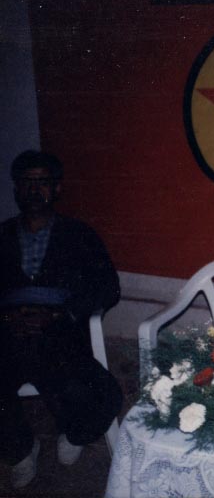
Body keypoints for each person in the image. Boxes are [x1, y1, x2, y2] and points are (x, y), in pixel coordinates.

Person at [0, 150, 123, 488]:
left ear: (57, 189)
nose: (34, 189)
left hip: (59, 328)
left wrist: (60, 313)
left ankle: (75, 430)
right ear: (16, 189)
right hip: (7, 329)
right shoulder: (2, 235)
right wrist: (8, 316)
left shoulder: (79, 234)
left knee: (98, 393)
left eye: (43, 182)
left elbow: (108, 287)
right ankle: (20, 449)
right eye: (27, 182)